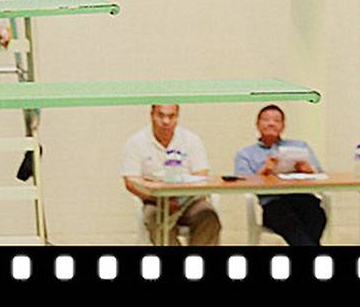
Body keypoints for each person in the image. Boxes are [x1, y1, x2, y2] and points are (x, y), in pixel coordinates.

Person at [122, 103, 221, 246]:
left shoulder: (191, 139)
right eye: (161, 115)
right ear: (152, 115)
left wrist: (180, 198)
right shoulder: (136, 142)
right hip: (154, 202)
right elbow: (131, 181)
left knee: (208, 216)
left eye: (171, 116)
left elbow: (201, 174)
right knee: (155, 220)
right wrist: (158, 198)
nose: (166, 121)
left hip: (188, 200)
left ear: (177, 117)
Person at [234, 104, 326, 246]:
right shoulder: (246, 154)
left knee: (316, 215)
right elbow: (243, 182)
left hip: (302, 197)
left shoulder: (300, 146)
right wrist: (264, 170)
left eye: (276, 120)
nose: (271, 123)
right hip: (273, 203)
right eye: (266, 120)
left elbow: (320, 174)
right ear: (257, 124)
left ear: (283, 126)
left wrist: (308, 169)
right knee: (287, 220)